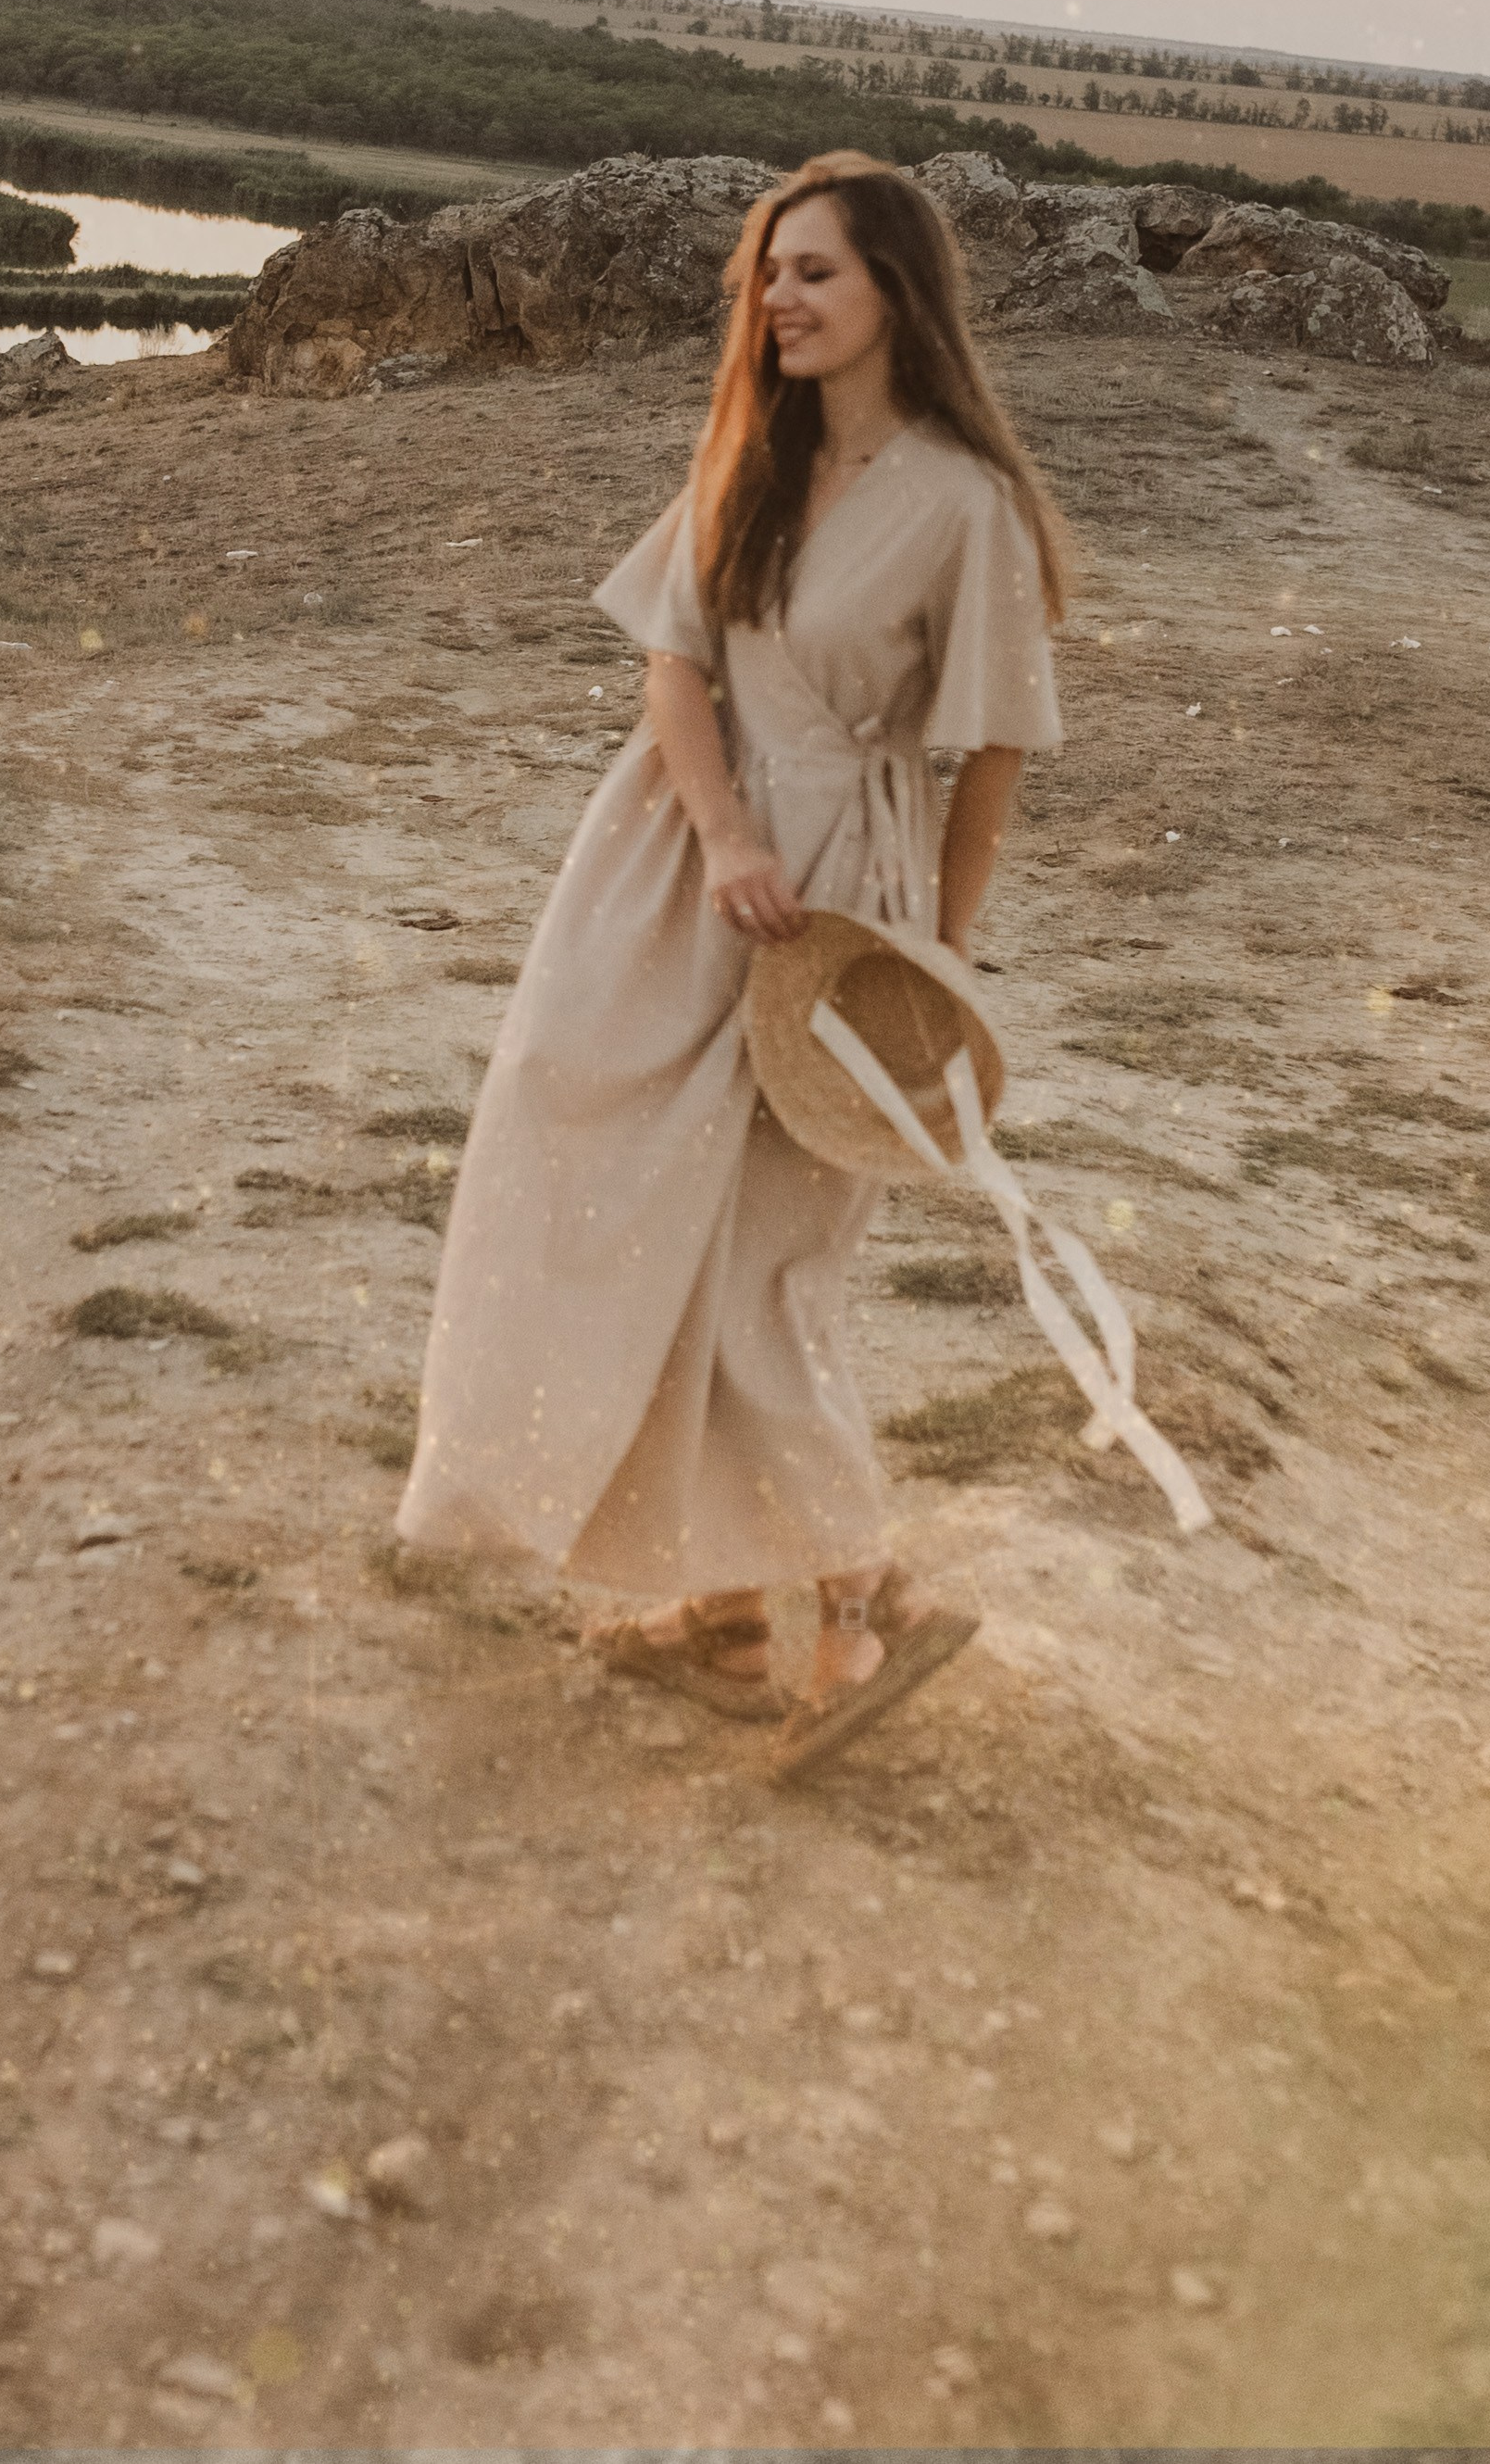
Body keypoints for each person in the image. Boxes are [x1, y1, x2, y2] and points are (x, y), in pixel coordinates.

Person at [395, 150, 1070, 1771]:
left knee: (762, 1250)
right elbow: (674, 667)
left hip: (844, 899)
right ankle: (707, 1596)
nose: (778, 298)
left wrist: (931, 967)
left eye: (816, 271)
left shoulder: (961, 506)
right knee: (600, 1192)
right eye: (768, 272)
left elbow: (988, 756)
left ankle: (863, 1597)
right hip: (675, 867)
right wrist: (719, 837)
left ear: (898, 294)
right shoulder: (748, 462)